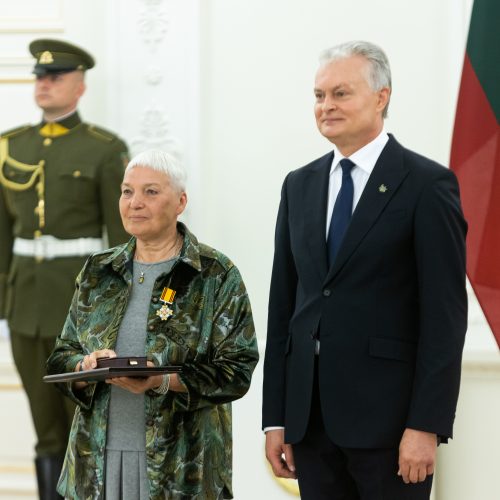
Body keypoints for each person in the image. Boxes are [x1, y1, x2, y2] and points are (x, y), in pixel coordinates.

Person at [262, 41, 467, 499]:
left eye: (340, 93)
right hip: (309, 426)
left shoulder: (427, 185)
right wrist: (276, 417)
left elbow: (445, 316)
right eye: (319, 95)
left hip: (392, 429)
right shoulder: (299, 185)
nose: (326, 106)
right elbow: (285, 308)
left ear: (381, 97)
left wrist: (426, 425)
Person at [46, 149, 259, 499]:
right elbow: (61, 356)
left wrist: (162, 381)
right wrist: (84, 367)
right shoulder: (99, 271)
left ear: (180, 201)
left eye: (151, 192)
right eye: (127, 191)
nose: (135, 203)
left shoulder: (215, 273)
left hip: (182, 468)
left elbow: (236, 371)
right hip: (96, 465)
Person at [0, 38, 129, 498]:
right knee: (44, 425)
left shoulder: (103, 149)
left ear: (80, 86)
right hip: (25, 308)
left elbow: (121, 237)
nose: (45, 84)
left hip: (80, 308)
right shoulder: (11, 145)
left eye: (56, 77)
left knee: (84, 421)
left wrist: (118, 314)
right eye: (39, 77)